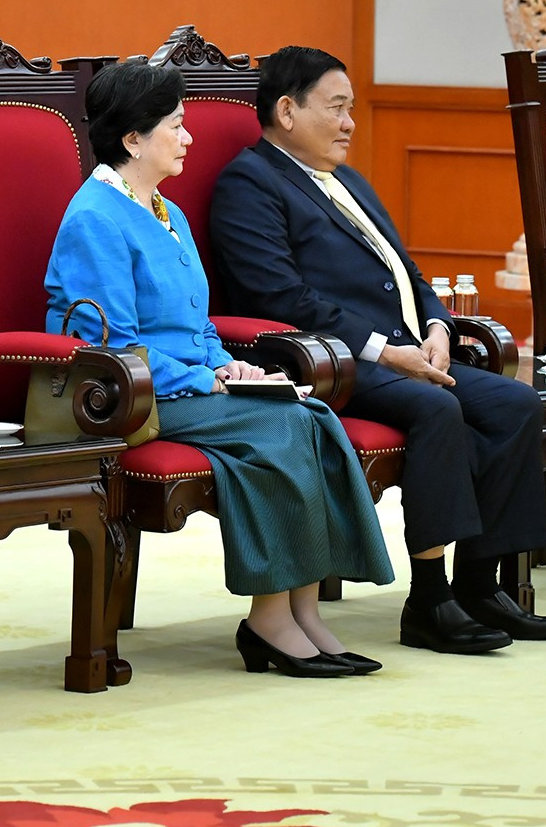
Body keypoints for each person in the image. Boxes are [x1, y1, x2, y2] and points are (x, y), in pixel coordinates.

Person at [210, 47, 546, 654]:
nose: (350, 122)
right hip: (326, 363)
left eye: (351, 108)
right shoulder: (249, 183)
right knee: (437, 409)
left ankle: (481, 586)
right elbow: (279, 296)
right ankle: (429, 599)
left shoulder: (348, 180)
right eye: (337, 108)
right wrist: (384, 350)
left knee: (516, 404)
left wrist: (437, 326)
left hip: (406, 352)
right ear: (287, 111)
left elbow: (407, 271)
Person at [46, 60, 395, 678]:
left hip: (190, 386)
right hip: (134, 397)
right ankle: (269, 620)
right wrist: (202, 379)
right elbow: (113, 346)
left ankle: (304, 610)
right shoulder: (95, 218)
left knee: (313, 415)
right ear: (133, 139)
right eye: (176, 126)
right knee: (283, 427)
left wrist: (230, 366)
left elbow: (196, 325)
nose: (189, 138)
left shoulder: (167, 212)